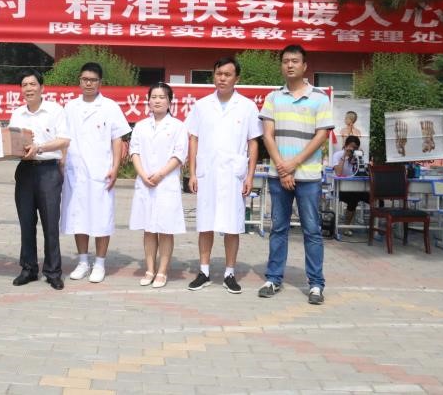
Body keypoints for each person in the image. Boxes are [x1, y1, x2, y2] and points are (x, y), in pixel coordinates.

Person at [258, 45, 334, 305]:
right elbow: (268, 135)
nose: (290, 65)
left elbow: (321, 135)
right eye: (285, 61)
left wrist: (294, 164)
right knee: (278, 228)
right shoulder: (273, 98)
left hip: (308, 177)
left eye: (295, 61)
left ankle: (316, 284)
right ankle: (273, 278)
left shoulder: (319, 98)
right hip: (279, 175)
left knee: (312, 230)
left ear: (304, 66)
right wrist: (282, 167)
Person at [187, 57, 262, 294]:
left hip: (233, 175)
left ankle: (230, 273)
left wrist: (250, 176)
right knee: (205, 223)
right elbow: (193, 138)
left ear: (236, 78)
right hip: (207, 173)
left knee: (232, 224)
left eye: (227, 75)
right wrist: (192, 173)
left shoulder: (247, 106)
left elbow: (253, 142)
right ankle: (204, 271)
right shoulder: (201, 105)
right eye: (219, 74)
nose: (222, 78)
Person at [61, 62, 131, 283]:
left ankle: (100, 263)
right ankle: (83, 262)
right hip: (75, 171)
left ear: (100, 82)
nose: (88, 83)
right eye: (85, 79)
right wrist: (62, 163)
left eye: (93, 80)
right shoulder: (70, 107)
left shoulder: (110, 107)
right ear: (79, 81)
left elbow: (117, 139)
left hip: (101, 172)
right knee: (78, 217)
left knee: (101, 218)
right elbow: (63, 138)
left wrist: (115, 167)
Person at [8, 69, 71, 290]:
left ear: (42, 88)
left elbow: (64, 140)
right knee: (26, 222)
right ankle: (28, 269)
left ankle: (53, 272)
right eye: (24, 85)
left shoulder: (55, 110)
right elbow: (12, 143)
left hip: (48, 171)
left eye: (32, 84)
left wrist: (39, 147)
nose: (28, 88)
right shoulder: (17, 114)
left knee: (50, 224)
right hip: (25, 171)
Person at [128, 82, 187, 289]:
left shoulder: (178, 126)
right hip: (145, 182)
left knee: (166, 229)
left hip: (166, 183)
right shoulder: (141, 125)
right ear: (148, 101)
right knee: (149, 229)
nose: (157, 101)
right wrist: (143, 174)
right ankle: (149, 269)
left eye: (162, 97)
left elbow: (179, 154)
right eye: (154, 97)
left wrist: (160, 174)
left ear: (170, 101)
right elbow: (134, 151)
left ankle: (162, 271)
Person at [332, 135, 368, 236]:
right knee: (353, 199)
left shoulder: (357, 157)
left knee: (375, 199)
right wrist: (344, 156)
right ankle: (346, 227)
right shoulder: (337, 155)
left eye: (355, 148)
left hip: (356, 188)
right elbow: (338, 173)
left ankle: (375, 228)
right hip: (340, 189)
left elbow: (363, 173)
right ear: (346, 145)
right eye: (351, 147)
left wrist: (359, 159)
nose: (353, 150)